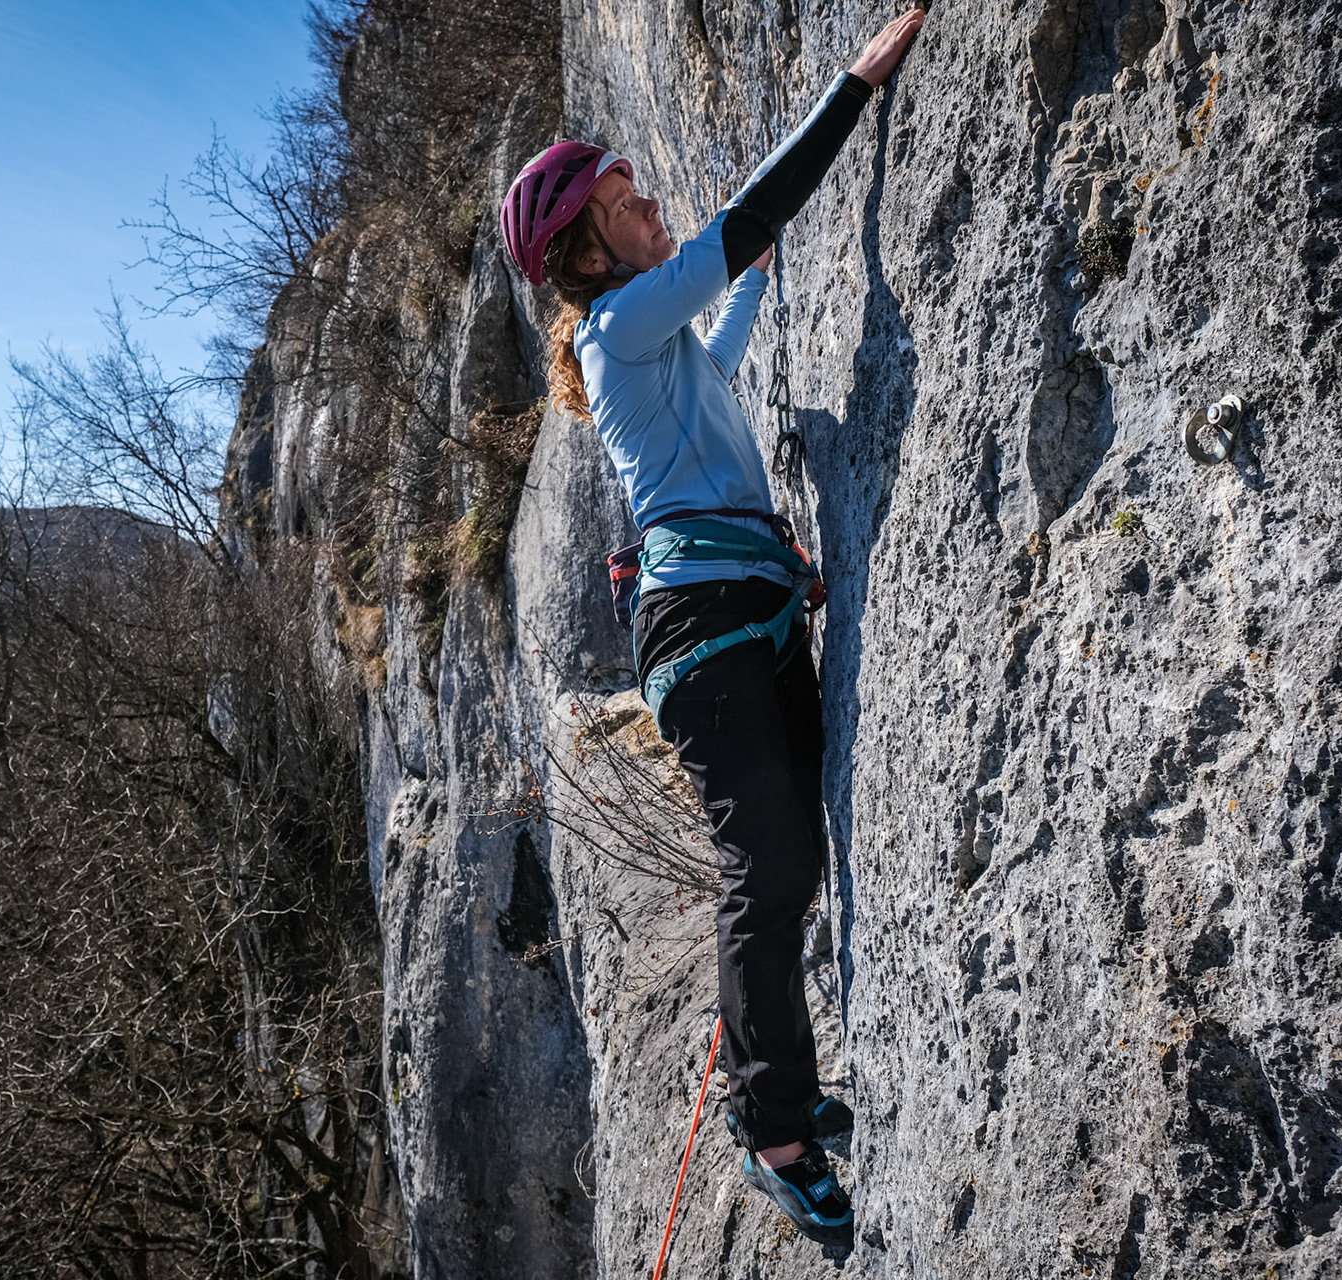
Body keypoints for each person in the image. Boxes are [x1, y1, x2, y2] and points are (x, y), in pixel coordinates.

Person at [498, 8, 926, 1247]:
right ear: (587, 246)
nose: (649, 208)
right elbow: (746, 221)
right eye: (626, 204)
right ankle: (772, 1125)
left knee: (792, 859)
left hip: (744, 617)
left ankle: (778, 1096)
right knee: (770, 865)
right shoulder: (616, 325)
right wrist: (850, 91)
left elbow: (725, 337)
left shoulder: (654, 344)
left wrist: (766, 272)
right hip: (707, 630)